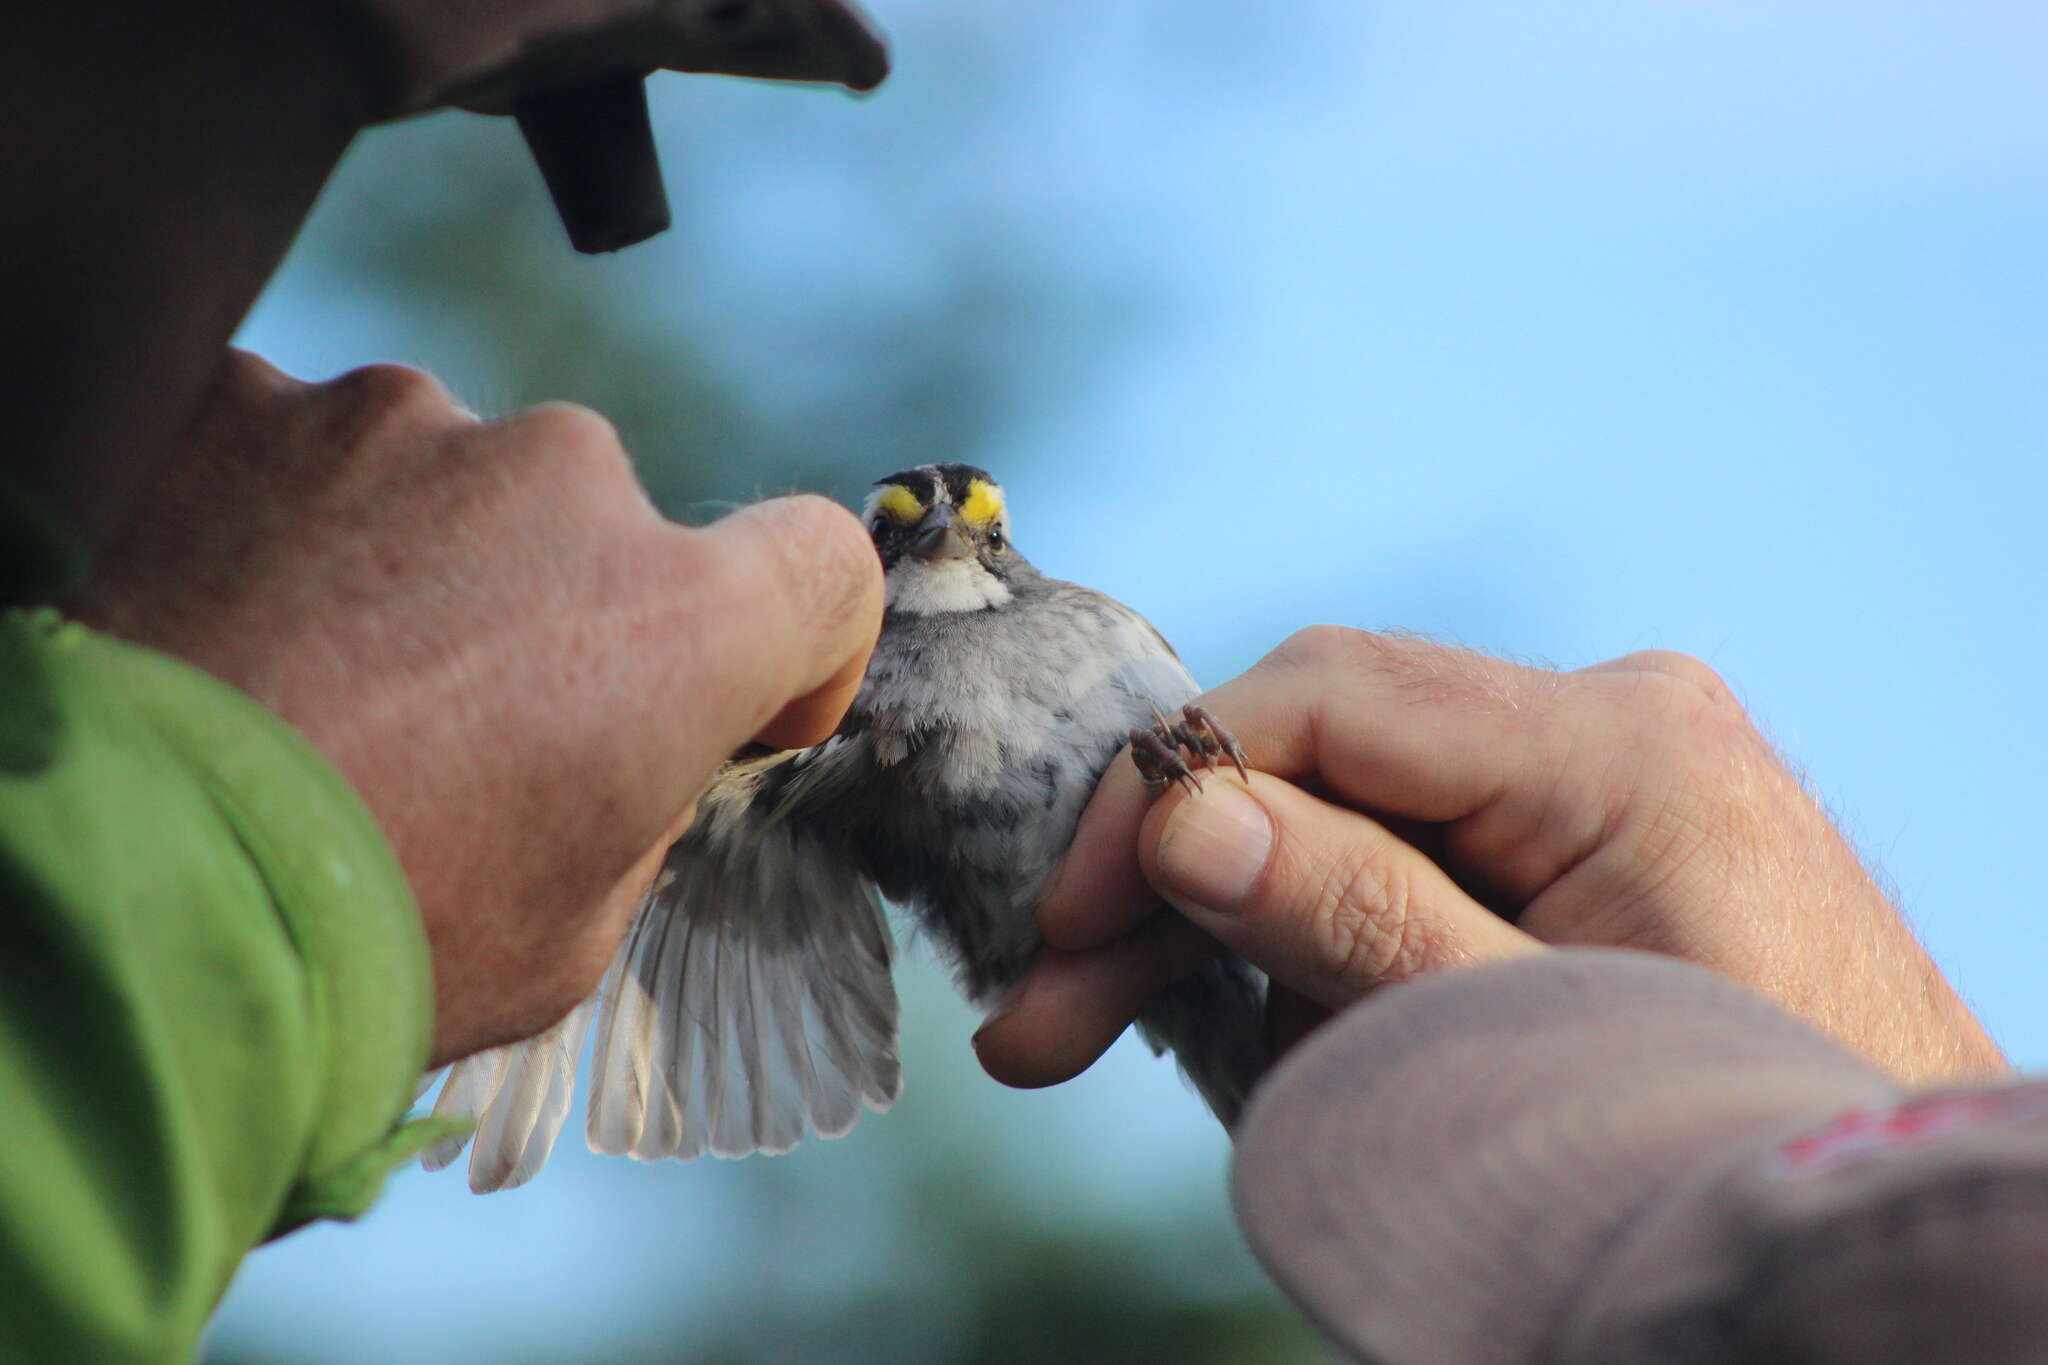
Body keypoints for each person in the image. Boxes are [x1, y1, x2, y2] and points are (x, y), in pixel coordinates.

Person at [0, 6, 2027, 1365]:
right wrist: (1867, 1150)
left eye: (974, 515)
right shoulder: (837, 700)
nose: (950, 538)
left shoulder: (1102, 624)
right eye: (918, 524)